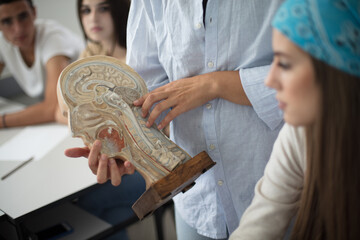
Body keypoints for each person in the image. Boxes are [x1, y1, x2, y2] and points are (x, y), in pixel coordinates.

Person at [66, 0, 286, 239]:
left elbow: (318, 76)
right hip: (198, 203)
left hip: (278, 188)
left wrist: (214, 84)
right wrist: (129, 147)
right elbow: (143, 91)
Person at [230, 0, 360, 239]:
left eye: (285, 64)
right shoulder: (300, 135)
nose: (269, 81)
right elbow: (258, 226)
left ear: (334, 71)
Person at [72, 1, 145, 240]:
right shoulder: (92, 52)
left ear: (119, 10)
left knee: (82, 207)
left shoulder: (136, 58)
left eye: (103, 8)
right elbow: (62, 109)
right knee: (110, 219)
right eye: (86, 10)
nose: (93, 18)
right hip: (115, 157)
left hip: (143, 164)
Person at [0, 0, 82, 128]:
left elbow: (53, 107)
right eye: (7, 21)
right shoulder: (4, 42)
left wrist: (2, 121)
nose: (18, 29)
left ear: (34, 12)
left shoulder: (53, 38)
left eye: (23, 16)